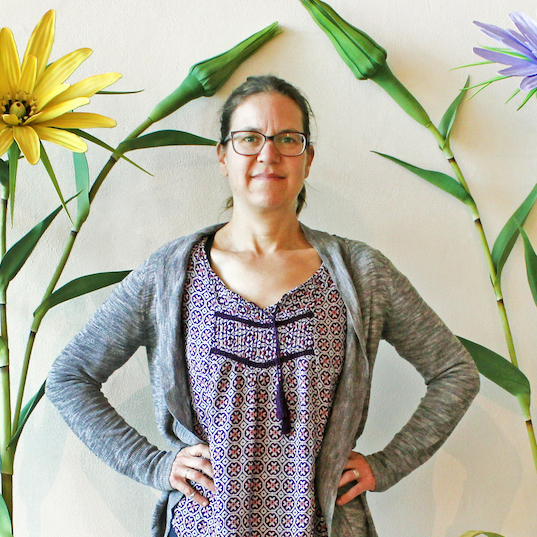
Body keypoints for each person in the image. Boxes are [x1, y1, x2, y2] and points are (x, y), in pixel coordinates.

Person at [47, 75, 480, 537]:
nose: (268, 154)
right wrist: (155, 465)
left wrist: (388, 464)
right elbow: (69, 376)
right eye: (249, 138)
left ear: (308, 159)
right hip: (205, 526)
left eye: (287, 139)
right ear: (222, 156)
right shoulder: (171, 273)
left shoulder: (360, 273)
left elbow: (455, 372)